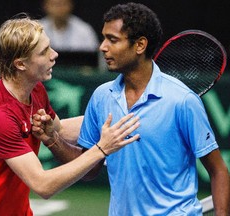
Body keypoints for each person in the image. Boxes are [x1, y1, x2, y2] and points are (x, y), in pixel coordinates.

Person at [32, 3, 230, 215]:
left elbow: (218, 170)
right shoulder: (101, 97)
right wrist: (53, 140)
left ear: (140, 45)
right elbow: (90, 169)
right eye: (104, 38)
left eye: (113, 40)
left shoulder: (183, 100)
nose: (103, 47)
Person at [0, 14, 141, 216]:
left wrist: (123, 120)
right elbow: (43, 185)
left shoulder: (35, 90)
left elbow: (60, 129)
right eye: (44, 52)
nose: (54, 54)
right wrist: (101, 149)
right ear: (21, 64)